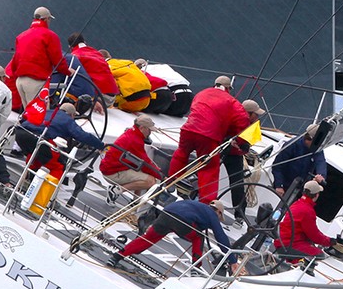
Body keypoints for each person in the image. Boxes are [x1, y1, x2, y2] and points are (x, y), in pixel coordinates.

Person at [167, 75, 252, 204]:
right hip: (208, 136)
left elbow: (195, 109)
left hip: (188, 129)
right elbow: (243, 121)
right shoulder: (232, 101)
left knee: (181, 153)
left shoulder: (201, 93)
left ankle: (170, 183)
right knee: (209, 168)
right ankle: (206, 203)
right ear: (228, 88)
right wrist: (240, 142)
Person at [108, 199, 240, 274]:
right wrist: (233, 260)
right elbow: (221, 237)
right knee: (198, 238)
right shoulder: (211, 214)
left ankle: (116, 256)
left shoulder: (195, 205)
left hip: (166, 214)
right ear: (217, 211)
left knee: (148, 238)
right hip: (181, 221)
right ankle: (195, 269)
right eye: (219, 215)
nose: (218, 218)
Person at [14, 102, 104, 179]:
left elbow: (25, 117)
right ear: (71, 115)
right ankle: (48, 194)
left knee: (36, 154)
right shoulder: (68, 120)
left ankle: (27, 177)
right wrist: (100, 145)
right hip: (37, 138)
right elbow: (82, 136)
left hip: (20, 133)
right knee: (59, 165)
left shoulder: (47, 111)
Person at [10, 7, 70, 107]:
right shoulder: (50, 36)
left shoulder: (21, 36)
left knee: (28, 116)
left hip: (20, 82)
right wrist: (67, 71)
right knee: (39, 118)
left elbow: (15, 60)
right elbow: (58, 60)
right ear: (46, 19)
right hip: (35, 82)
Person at [222, 99, 265, 221]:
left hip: (235, 156)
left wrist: (241, 147)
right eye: (256, 114)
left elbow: (247, 147)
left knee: (238, 184)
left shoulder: (255, 127)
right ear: (248, 113)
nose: (258, 117)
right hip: (222, 150)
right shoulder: (231, 118)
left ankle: (240, 214)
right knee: (208, 171)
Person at [100, 114, 163, 196]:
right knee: (150, 181)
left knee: (143, 172)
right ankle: (116, 191)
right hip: (113, 173)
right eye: (149, 130)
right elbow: (145, 163)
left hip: (110, 167)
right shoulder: (135, 141)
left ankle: (135, 200)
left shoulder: (131, 132)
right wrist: (161, 175)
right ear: (142, 128)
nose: (150, 133)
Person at [274, 180, 332, 257]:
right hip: (290, 244)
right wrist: (330, 241)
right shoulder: (308, 211)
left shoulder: (296, 203)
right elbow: (314, 236)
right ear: (317, 195)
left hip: (282, 241)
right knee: (319, 254)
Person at [272, 123, 327, 197]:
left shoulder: (317, 149)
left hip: (300, 189)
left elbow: (321, 162)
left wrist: (321, 175)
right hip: (284, 186)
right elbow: (277, 166)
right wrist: (279, 185)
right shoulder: (292, 145)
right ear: (310, 139)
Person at [67, 32, 118, 106]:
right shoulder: (96, 52)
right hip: (112, 97)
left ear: (70, 47)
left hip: (100, 97)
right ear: (84, 42)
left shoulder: (75, 56)